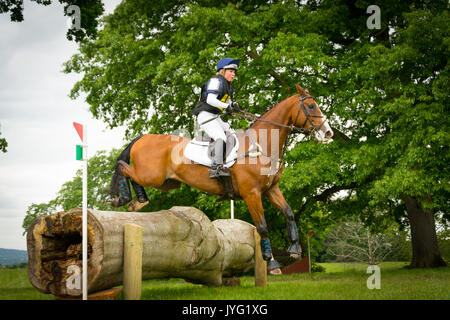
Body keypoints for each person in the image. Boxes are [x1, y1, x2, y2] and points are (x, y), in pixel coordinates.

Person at [191, 57, 241, 178]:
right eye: (230, 71)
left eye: (234, 72)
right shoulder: (216, 80)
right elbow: (210, 99)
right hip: (205, 115)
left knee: (232, 133)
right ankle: (216, 168)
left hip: (215, 116)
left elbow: (227, 101)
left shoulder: (229, 86)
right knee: (221, 137)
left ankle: (229, 161)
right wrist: (226, 106)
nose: (233, 74)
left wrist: (233, 105)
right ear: (222, 71)